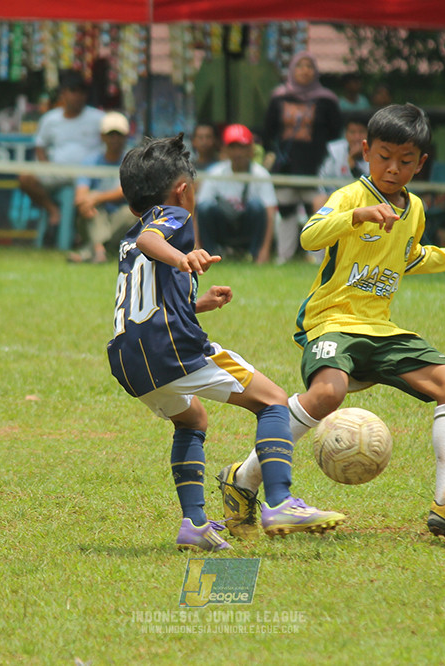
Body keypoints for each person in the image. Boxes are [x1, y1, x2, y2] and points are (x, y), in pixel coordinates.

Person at [217, 105, 445, 541]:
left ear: (421, 163)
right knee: (327, 394)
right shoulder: (351, 196)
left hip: (381, 329)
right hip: (331, 321)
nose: (394, 168)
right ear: (365, 151)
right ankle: (243, 477)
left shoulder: (414, 209)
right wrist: (356, 216)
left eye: (406, 160)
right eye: (385, 156)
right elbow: (308, 235)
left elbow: (416, 258)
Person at [107, 134, 346, 551]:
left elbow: (150, 300)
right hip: (171, 349)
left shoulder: (131, 235)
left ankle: (194, 525)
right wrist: (184, 257)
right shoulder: (172, 217)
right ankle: (279, 501)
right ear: (184, 189)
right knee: (272, 401)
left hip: (130, 359)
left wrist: (198, 303)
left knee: (193, 420)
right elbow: (154, 241)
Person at [263, 51, 342, 263]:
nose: (304, 71)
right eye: (300, 66)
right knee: (286, 210)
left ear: (315, 71)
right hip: (286, 165)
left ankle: (317, 259)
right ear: (292, 70)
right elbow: (269, 130)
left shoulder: (327, 100)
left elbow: (335, 132)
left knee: (318, 212)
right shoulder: (279, 97)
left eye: (309, 66)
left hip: (317, 166)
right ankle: (284, 256)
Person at [19, 70, 104, 250]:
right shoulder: (50, 119)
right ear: (63, 93)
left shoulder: (98, 118)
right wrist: (46, 166)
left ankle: (78, 239)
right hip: (55, 174)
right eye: (73, 90)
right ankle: (52, 210)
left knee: (80, 197)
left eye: (82, 91)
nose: (78, 96)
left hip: (85, 179)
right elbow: (40, 145)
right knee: (25, 177)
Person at [195, 124, 277, 264]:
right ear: (225, 149)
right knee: (205, 207)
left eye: (242, 147)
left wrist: (265, 250)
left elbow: (270, 212)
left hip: (247, 227)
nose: (237, 153)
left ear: (251, 149)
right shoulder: (215, 173)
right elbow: (198, 211)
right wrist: (195, 247)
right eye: (233, 147)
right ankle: (210, 255)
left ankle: (253, 254)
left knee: (257, 206)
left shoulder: (261, 174)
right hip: (223, 225)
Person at [67, 111, 131, 264]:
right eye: (111, 135)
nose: (114, 139)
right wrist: (88, 202)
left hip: (121, 216)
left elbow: (127, 191)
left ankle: (92, 250)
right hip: (96, 216)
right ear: (102, 136)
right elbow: (80, 195)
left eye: (118, 135)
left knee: (133, 213)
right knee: (90, 208)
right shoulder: (91, 161)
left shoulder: (131, 161)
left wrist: (96, 198)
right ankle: (100, 250)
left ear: (125, 137)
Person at [313, 110, 372, 210]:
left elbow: (371, 187)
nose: (357, 137)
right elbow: (324, 182)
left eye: (361, 132)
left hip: (365, 201)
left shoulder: (376, 152)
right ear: (345, 134)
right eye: (352, 132)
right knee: (319, 200)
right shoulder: (334, 150)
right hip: (337, 199)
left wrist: (353, 165)